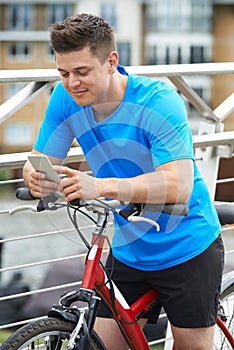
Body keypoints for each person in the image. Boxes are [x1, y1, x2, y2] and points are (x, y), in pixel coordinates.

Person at [23, 13, 224, 350]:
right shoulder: (65, 98)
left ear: (112, 61)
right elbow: (41, 159)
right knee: (105, 345)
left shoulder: (158, 101)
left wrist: (99, 186)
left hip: (188, 247)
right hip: (130, 248)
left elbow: (179, 185)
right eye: (64, 73)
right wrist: (38, 176)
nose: (72, 83)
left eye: (82, 72)